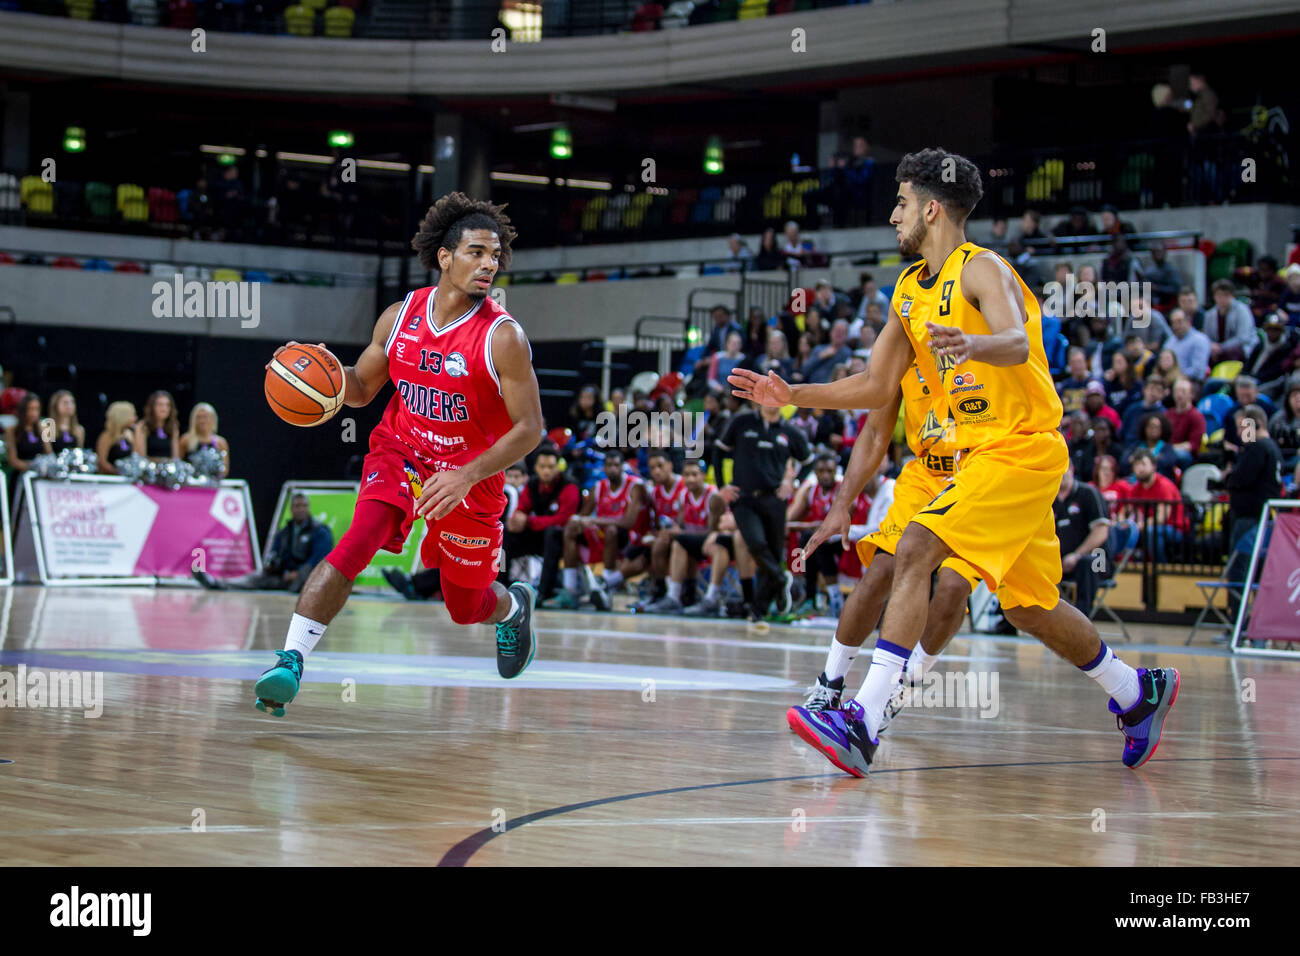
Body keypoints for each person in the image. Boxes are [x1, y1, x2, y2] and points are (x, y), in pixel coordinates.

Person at [732, 147, 1178, 776]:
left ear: (932, 209)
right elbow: (877, 385)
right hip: (979, 458)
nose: (894, 216)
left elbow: (1017, 341)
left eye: (902, 204)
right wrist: (793, 394)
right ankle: (1136, 693)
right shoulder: (909, 290)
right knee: (1028, 606)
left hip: (1018, 448)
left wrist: (974, 343)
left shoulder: (981, 269)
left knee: (914, 547)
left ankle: (862, 721)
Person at [250, 193, 544, 718]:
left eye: (495, 255)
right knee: (361, 536)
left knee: (464, 606)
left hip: (471, 476)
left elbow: (530, 428)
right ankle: (290, 660)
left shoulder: (503, 338)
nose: (489, 264)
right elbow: (362, 387)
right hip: (401, 451)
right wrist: (316, 374)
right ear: (445, 257)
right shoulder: (400, 316)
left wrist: (466, 474)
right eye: (476, 252)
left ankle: (513, 607)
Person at [780, 358, 986, 727]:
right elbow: (875, 433)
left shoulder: (983, 341)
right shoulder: (906, 350)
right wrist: (842, 503)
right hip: (924, 477)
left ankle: (901, 688)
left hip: (981, 477)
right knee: (882, 569)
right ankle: (829, 685)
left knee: (954, 587)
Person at [713, 400, 812, 623]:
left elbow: (809, 461)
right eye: (765, 396)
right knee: (756, 542)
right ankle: (781, 577)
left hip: (774, 499)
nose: (770, 402)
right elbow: (718, 451)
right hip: (744, 498)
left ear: (782, 402)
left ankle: (759, 609)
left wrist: (793, 482)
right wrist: (722, 486)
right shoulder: (741, 422)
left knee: (774, 552)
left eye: (775, 397)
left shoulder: (790, 431)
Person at [544, 449, 648, 611]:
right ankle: (570, 590)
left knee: (612, 530)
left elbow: (628, 522)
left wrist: (594, 520)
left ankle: (606, 587)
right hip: (601, 536)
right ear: (604, 468)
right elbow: (583, 516)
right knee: (571, 528)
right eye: (609, 465)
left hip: (629, 539)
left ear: (623, 467)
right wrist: (578, 521)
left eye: (616, 465)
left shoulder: (635, 486)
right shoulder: (599, 487)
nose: (612, 469)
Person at [194, 492, 332, 592]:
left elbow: (319, 560)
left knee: (308, 574)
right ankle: (216, 583)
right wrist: (271, 565)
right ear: (291, 509)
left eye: (304, 505)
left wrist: (297, 573)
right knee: (256, 577)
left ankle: (297, 587)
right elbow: (274, 554)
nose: (301, 509)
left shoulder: (320, 531)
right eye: (297, 506)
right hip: (284, 577)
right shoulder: (284, 533)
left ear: (308, 507)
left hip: (306, 577)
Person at [639, 460, 723, 613]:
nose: (690, 479)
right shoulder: (683, 495)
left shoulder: (713, 496)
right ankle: (669, 594)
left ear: (703, 476)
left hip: (712, 541)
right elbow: (681, 526)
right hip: (692, 541)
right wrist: (669, 531)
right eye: (686, 475)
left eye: (694, 475)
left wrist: (681, 533)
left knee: (680, 542)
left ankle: (687, 594)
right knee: (664, 542)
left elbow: (712, 530)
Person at [502, 447, 579, 602]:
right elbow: (521, 510)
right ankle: (501, 585)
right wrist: (516, 520)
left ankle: (544, 592)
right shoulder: (532, 484)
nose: (546, 471)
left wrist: (529, 521)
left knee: (552, 532)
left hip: (564, 540)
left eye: (551, 467)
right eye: (542, 467)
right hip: (539, 536)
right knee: (505, 535)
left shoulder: (569, 486)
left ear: (558, 467)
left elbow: (562, 520)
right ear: (536, 467)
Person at [1054, 462, 1112, 617]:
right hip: (1059, 561)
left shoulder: (1088, 493)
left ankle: (1081, 619)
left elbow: (1101, 532)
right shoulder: (1049, 497)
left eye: (1064, 469)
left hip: (1098, 561)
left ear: (1072, 470)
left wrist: (1076, 555)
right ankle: (1007, 621)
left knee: (1087, 562)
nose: (1061, 473)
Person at [1125, 448, 1187, 563]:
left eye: (1143, 464)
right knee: (1122, 531)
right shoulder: (1136, 488)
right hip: (1148, 527)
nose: (1140, 468)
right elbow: (1129, 511)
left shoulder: (1163, 485)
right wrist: (1122, 524)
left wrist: (1138, 525)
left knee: (1151, 531)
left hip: (1174, 529)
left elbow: (1161, 518)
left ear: (1153, 466)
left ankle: (1159, 567)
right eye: (1136, 465)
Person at [1203, 279, 1257, 364]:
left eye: (1226, 295)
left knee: (1230, 353)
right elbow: (1206, 337)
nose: (1222, 299)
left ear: (1232, 296)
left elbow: (1242, 338)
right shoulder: (1209, 314)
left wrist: (1221, 347)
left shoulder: (1242, 310)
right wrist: (1211, 346)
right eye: (1219, 295)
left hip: (1240, 347)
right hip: (1216, 349)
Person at [1119, 375, 1170, 447]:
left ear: (1163, 395)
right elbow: (1122, 432)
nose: (1153, 393)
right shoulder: (1132, 409)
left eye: (1158, 390)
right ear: (1144, 389)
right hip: (1128, 447)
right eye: (1151, 388)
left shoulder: (1164, 413)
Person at [181, 402, 230, 477]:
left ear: (212, 419)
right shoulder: (186, 440)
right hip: (192, 482)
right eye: (199, 417)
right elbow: (178, 462)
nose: (202, 421)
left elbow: (225, 469)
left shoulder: (221, 442)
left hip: (213, 482)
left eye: (205, 417)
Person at [1167, 377, 1207, 467]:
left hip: (1187, 456)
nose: (1179, 395)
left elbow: (1194, 445)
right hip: (1168, 450)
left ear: (1191, 394)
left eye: (1183, 391)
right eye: (1176, 391)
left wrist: (1170, 449)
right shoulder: (1168, 414)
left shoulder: (1197, 416)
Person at [1165, 307, 1211, 383]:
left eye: (1179, 321)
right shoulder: (1169, 342)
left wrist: (1177, 377)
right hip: (1170, 381)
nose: (1176, 325)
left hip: (1192, 382)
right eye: (1173, 322)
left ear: (1188, 321)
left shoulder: (1200, 340)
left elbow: (1198, 371)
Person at [95, 401, 139, 476]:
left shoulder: (130, 435)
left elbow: (135, 457)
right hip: (110, 477)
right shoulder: (107, 436)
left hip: (126, 478)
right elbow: (102, 462)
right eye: (132, 415)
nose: (135, 418)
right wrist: (117, 472)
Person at [136, 390, 181, 461]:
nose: (164, 409)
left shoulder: (173, 427)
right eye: (160, 405)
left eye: (168, 405)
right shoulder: (143, 426)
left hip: (168, 466)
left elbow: (175, 457)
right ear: (152, 407)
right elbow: (141, 456)